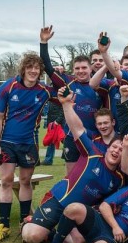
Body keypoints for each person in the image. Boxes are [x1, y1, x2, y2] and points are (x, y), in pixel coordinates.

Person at [21, 87, 125, 243]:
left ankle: (52, 232)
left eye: (121, 150)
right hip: (59, 201)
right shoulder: (93, 153)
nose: (116, 151)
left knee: (79, 242)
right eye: (114, 147)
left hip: (76, 212)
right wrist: (66, 105)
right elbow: (77, 129)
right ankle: (30, 222)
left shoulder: (118, 178)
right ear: (108, 148)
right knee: (32, 237)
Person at [0, 53, 57, 242]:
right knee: (6, 180)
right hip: (7, 143)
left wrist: (58, 73)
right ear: (24, 69)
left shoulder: (44, 91)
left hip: (29, 144)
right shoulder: (8, 87)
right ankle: (4, 225)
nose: (34, 71)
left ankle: (25, 221)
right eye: (30, 67)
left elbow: (64, 91)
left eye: (37, 68)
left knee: (26, 181)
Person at [40, 26, 104, 174]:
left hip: (94, 137)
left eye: (84, 68)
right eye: (77, 68)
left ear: (91, 69)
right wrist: (43, 43)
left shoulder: (102, 85)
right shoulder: (66, 83)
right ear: (73, 70)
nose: (81, 71)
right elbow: (48, 67)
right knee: (71, 176)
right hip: (72, 137)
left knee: (94, 176)